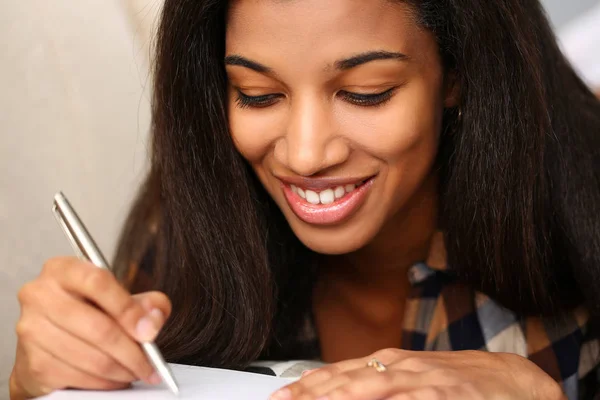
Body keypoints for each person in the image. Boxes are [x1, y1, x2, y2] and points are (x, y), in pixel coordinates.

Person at [9, 0, 600, 399]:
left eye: (366, 93)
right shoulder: (195, 218)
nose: (306, 154)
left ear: (457, 74)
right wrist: (42, 386)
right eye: (258, 95)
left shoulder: (582, 210)